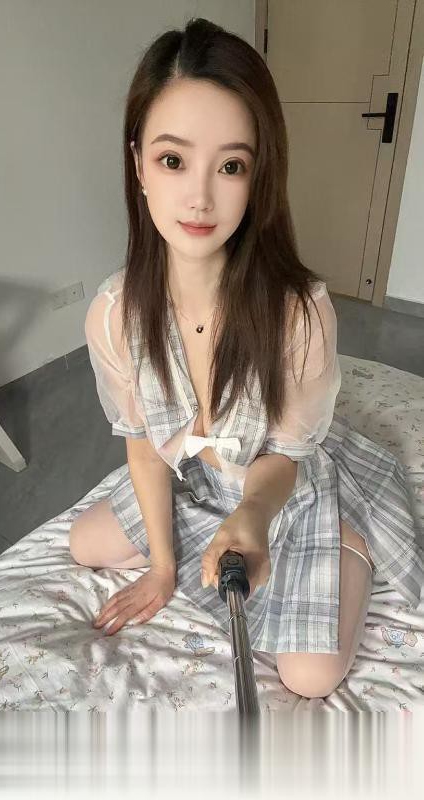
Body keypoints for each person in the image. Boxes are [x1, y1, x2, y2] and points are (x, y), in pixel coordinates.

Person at [69, 18, 423, 699]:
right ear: (138, 163)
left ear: (258, 175)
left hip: (281, 488)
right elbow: (144, 447)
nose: (200, 197)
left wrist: (254, 517)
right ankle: (221, 537)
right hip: (200, 485)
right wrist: (164, 569)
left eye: (231, 165)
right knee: (85, 544)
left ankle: (345, 535)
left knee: (310, 677)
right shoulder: (115, 315)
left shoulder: (299, 313)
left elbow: (283, 457)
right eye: (173, 160)